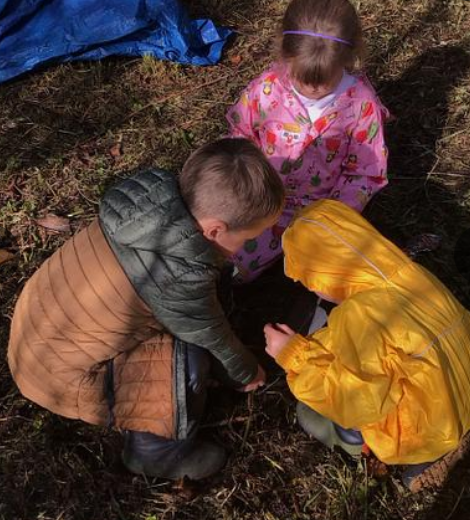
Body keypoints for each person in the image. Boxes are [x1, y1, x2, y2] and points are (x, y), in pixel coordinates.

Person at [7, 138, 285, 480]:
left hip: (33, 333)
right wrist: (246, 373)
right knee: (191, 360)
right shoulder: (180, 273)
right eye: (248, 238)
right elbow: (212, 335)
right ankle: (156, 452)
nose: (247, 246)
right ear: (215, 229)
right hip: (62, 377)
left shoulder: (151, 203)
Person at [264, 199, 470, 492]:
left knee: (309, 415)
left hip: (427, 430)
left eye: (309, 280)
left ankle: (417, 457)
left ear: (325, 275)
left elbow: (354, 404)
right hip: (461, 392)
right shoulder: (412, 274)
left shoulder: (360, 314)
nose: (310, 288)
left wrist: (293, 354)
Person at [227, 0, 389, 281]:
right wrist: (244, 179)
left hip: (317, 209)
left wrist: (333, 215)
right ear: (285, 55)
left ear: (347, 58)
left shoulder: (361, 105)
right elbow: (241, 135)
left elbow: (365, 172)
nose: (312, 88)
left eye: (323, 81)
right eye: (301, 79)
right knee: (227, 251)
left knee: (330, 269)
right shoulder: (265, 90)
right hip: (260, 195)